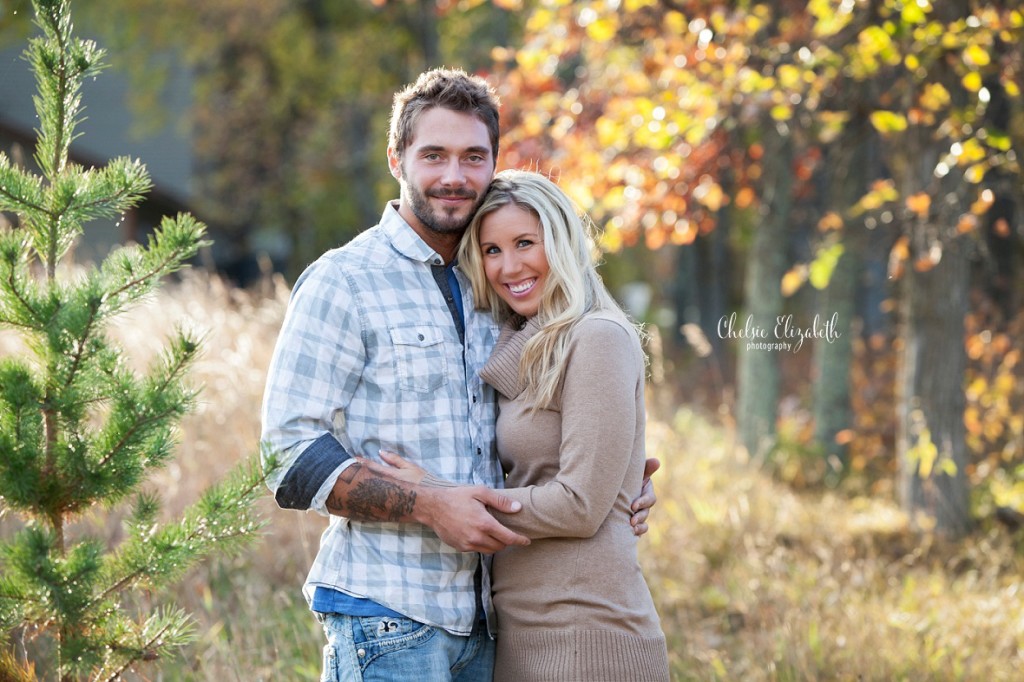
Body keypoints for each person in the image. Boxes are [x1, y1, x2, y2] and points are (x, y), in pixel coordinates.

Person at [259, 68, 659, 681]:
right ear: (396, 158)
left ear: (494, 163)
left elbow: (553, 424)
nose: (454, 175)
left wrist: (623, 481)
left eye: (474, 156)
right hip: (390, 616)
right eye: (434, 155)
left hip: (493, 623)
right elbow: (286, 454)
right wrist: (424, 504)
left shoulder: (496, 289)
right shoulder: (345, 281)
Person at [377, 169, 671, 681]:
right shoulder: (524, 340)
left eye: (525, 243)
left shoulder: (596, 336)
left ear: (559, 241)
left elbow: (581, 505)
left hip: (587, 633)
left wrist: (443, 498)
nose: (509, 266)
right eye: (491, 250)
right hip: (523, 629)